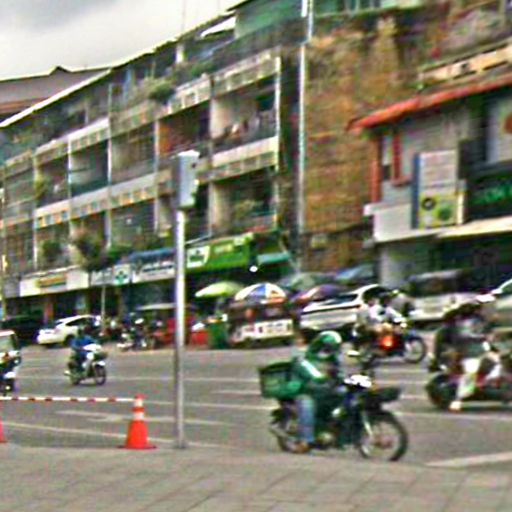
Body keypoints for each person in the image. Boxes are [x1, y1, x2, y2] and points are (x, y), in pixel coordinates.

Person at [290, 330, 345, 453]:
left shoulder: (333, 359)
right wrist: (324, 378)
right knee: (307, 407)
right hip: (307, 391)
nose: (330, 351)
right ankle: (305, 441)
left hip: (326, 392)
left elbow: (340, 374)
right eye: (328, 347)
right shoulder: (303, 359)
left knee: (345, 395)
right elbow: (313, 375)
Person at [449, 300, 492, 412]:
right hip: (470, 353)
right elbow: (465, 336)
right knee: (470, 373)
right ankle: (458, 399)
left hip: (483, 350)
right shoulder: (461, 323)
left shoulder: (480, 320)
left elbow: (488, 334)